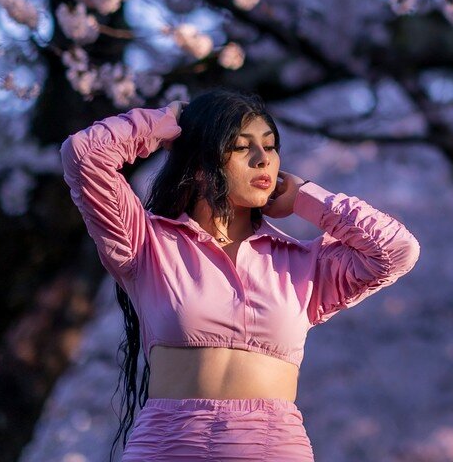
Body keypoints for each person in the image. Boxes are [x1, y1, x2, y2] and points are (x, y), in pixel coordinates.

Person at [58, 87, 421, 461]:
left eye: (270, 145)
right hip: (166, 446)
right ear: (200, 163)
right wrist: (171, 122)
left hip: (271, 447)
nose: (263, 159)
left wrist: (304, 197)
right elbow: (85, 155)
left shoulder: (302, 264)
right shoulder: (146, 243)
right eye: (241, 146)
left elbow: (396, 251)